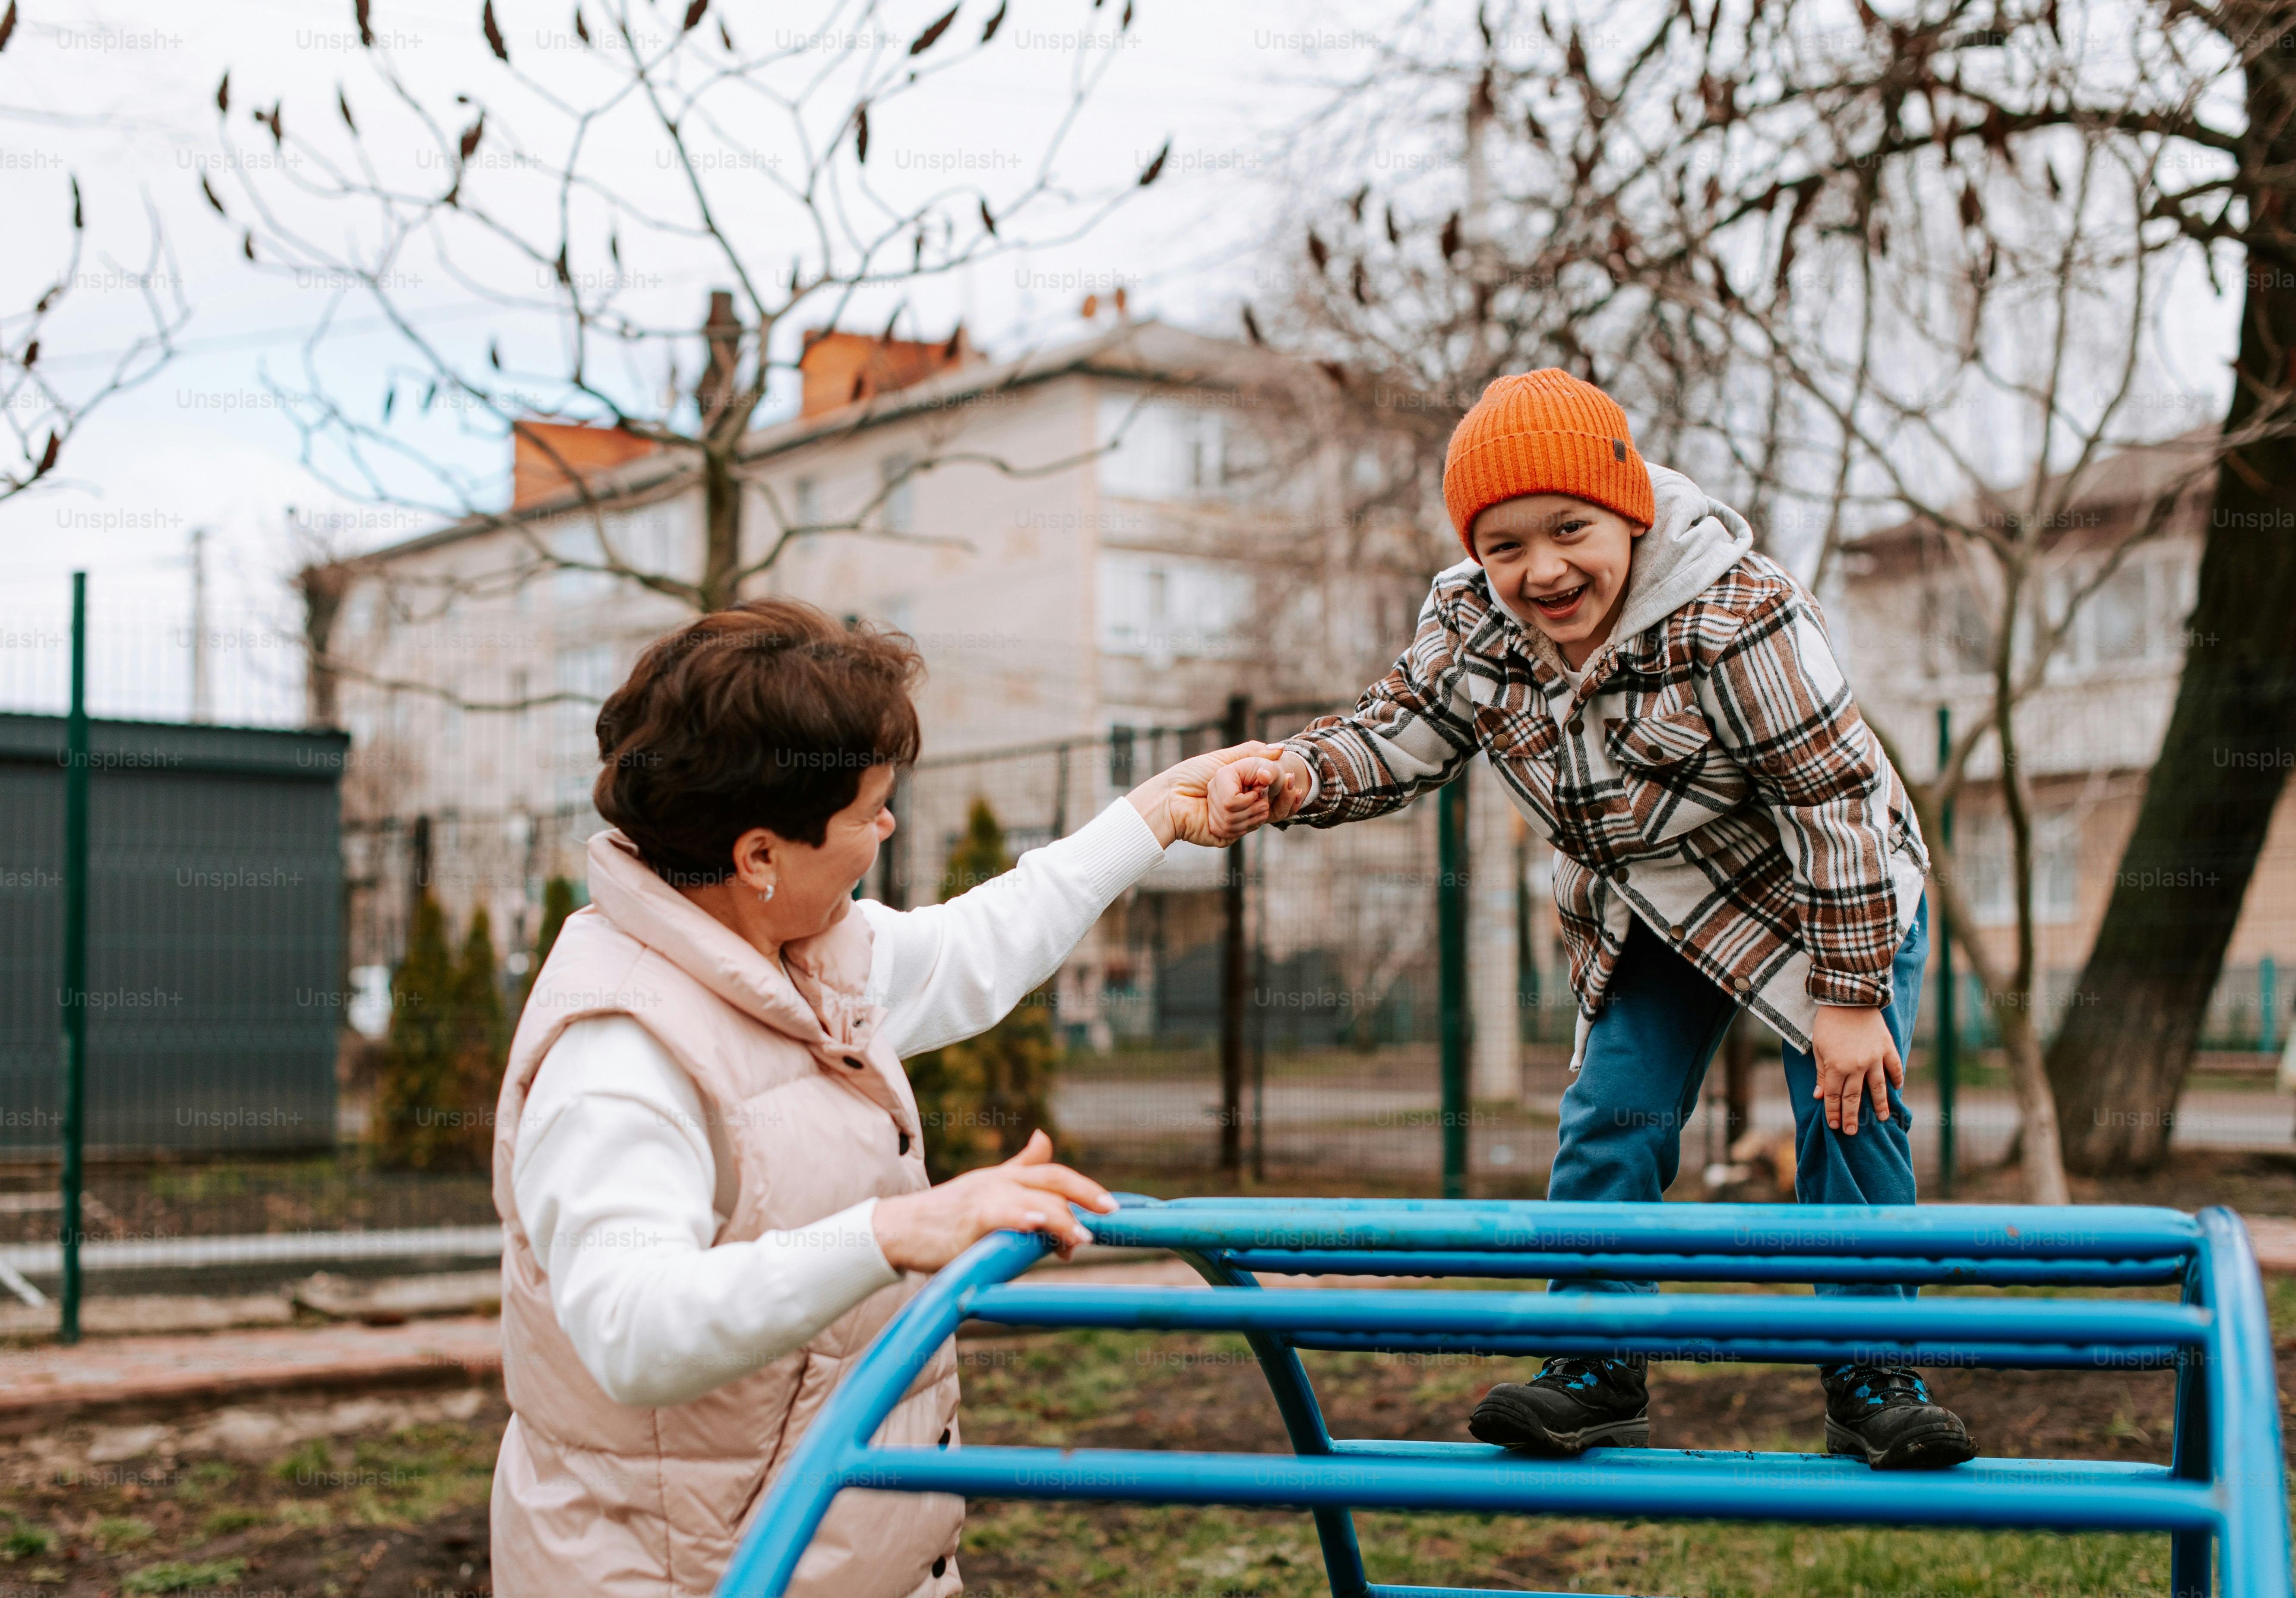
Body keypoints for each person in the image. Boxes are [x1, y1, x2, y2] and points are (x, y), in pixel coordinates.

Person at [1208, 369, 1976, 1472]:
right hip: (1653, 907)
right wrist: (1295, 776)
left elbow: (1834, 802)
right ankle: (1593, 1366)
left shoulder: (1735, 612)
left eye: (1569, 530)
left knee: (1849, 1109)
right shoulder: (1474, 623)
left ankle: (1876, 1377)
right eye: (1504, 545)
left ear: (1631, 510)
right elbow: (1400, 731)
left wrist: (1849, 999)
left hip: (1826, 891)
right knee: (1611, 1115)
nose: (1543, 571)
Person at [487, 598, 1286, 1597]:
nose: (888, 825)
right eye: (867, 810)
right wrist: (894, 1231)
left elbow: (974, 949)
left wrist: (1152, 815)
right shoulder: (621, 1051)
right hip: (692, 1576)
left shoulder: (793, 956)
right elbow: (636, 1333)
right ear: (759, 855)